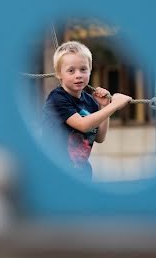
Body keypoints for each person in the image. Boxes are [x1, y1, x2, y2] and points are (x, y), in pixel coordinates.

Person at [41, 41, 132, 179]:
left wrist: (105, 106)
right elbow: (83, 125)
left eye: (83, 69)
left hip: (81, 170)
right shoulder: (57, 98)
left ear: (90, 70)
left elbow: (100, 137)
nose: (78, 75)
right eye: (71, 70)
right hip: (54, 171)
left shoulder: (90, 101)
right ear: (59, 74)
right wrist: (115, 106)